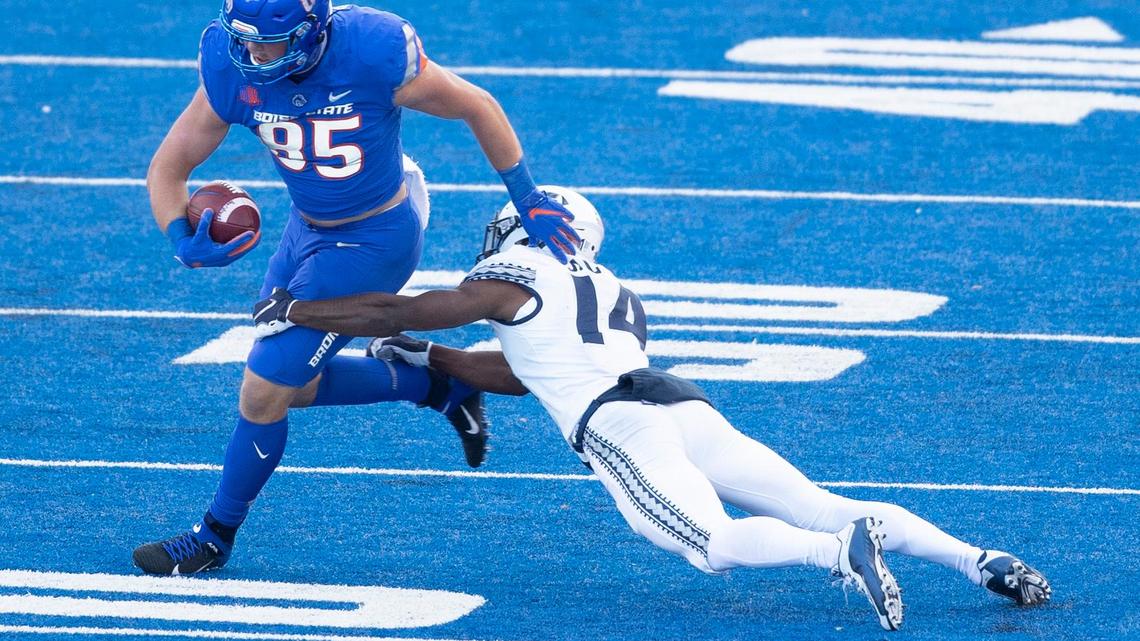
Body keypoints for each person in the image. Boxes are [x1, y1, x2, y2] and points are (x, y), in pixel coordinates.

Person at [250, 187, 1052, 630]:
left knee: (714, 546)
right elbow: (529, 371)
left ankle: (838, 553)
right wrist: (439, 364)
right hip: (681, 401)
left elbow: (403, 310)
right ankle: (980, 558)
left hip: (622, 423)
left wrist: (301, 311)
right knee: (816, 500)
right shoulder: (610, 288)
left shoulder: (510, 276)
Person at [133, 0, 582, 576]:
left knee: (263, 390)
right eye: (243, 39)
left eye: (269, 41)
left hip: (374, 238)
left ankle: (213, 536)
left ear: (313, 33)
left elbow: (476, 104)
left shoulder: (371, 48)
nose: (254, 53)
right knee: (292, 388)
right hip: (307, 229)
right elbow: (168, 169)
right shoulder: (233, 59)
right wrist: (177, 232)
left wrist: (528, 194)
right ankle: (435, 385)